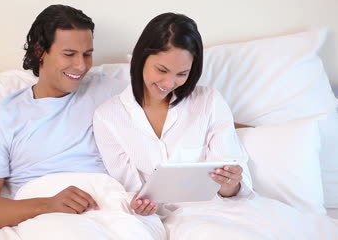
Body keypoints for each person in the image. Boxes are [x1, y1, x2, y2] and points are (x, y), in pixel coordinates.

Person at [0, 4, 129, 229]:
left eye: (87, 55)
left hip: (110, 210)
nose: (81, 66)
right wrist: (48, 205)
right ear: (39, 51)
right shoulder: (4, 118)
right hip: (49, 220)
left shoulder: (113, 93)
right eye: (69, 54)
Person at [93, 12, 253, 217]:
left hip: (211, 214)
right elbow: (129, 189)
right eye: (161, 70)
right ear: (141, 58)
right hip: (149, 220)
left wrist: (230, 184)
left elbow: (234, 183)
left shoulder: (209, 101)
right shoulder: (108, 117)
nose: (169, 84)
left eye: (181, 74)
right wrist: (138, 203)